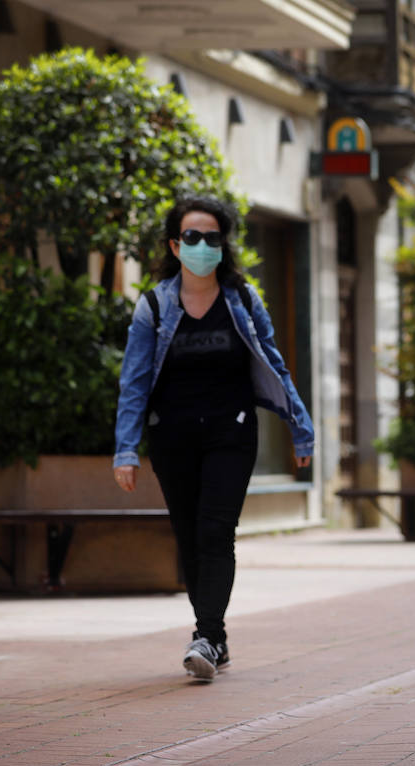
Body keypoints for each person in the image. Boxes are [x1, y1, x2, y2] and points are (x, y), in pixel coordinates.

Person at [113, 195, 314, 682]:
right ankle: (215, 641)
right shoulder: (155, 305)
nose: (203, 246)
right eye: (192, 237)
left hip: (232, 431)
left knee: (215, 531)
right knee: (188, 537)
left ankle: (205, 633)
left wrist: (300, 431)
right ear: (175, 245)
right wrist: (125, 447)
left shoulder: (242, 300)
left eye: (212, 237)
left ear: (223, 245)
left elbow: (274, 363)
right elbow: (135, 380)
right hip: (172, 438)